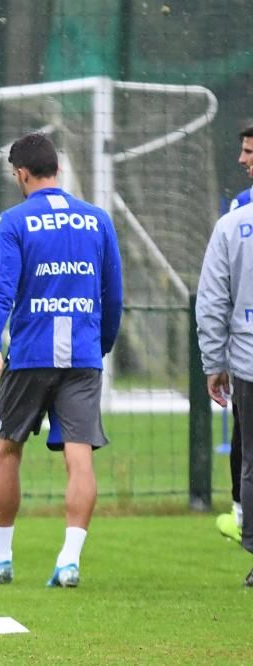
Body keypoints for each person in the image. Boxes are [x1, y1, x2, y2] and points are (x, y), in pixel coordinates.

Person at [0, 132, 123, 588]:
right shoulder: (97, 220)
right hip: (82, 354)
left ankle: (1, 559)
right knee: (80, 458)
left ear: (21, 173)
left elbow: (1, 292)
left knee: (9, 449)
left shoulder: (15, 221)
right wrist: (101, 344)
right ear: (57, 168)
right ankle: (69, 560)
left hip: (32, 353)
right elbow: (113, 295)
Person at [197, 188, 253, 587]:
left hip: (249, 361)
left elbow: (213, 300)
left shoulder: (232, 225)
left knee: (252, 462)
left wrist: (214, 362)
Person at [216, 125, 253, 543]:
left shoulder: (238, 214)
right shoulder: (237, 208)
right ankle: (242, 514)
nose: (242, 160)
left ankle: (244, 518)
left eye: (249, 152)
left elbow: (217, 290)